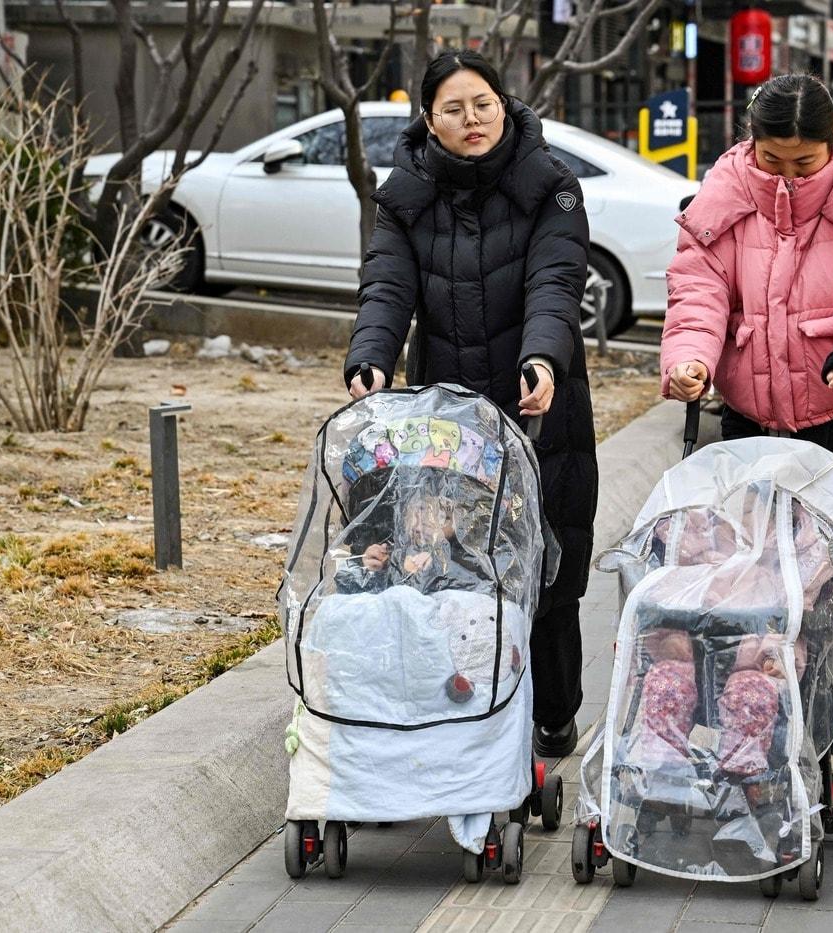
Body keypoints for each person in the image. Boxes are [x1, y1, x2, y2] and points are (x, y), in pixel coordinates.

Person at [658, 74, 833, 787]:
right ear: (752, 143)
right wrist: (689, 359)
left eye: (804, 162)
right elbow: (698, 290)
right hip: (751, 423)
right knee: (748, 582)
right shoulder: (723, 196)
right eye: (772, 159)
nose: (787, 174)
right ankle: (753, 723)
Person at [343, 50, 598, 759]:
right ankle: (463, 714)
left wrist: (542, 357)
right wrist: (370, 358)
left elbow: (556, 282)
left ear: (503, 104)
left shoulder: (551, 186)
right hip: (447, 416)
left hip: (540, 403)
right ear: (430, 120)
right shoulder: (405, 195)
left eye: (482, 103)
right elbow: (387, 287)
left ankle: (554, 712)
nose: (471, 119)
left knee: (548, 564)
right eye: (453, 110)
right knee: (450, 563)